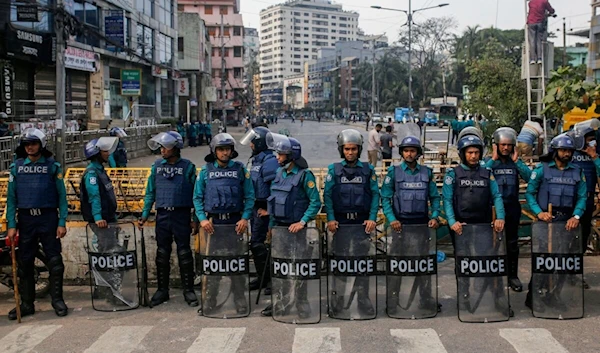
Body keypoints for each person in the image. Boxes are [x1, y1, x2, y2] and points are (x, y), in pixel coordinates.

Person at [6, 128, 68, 320]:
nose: (30, 148)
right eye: (26, 144)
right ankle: (26, 303)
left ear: (41, 145)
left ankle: (57, 300)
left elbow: (62, 197)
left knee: (55, 262)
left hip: (47, 218)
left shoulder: (52, 167)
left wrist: (62, 221)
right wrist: (11, 223)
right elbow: (11, 198)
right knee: (25, 264)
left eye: (33, 144)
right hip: (26, 220)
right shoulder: (16, 168)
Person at [442, 135, 509, 315]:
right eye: (470, 152)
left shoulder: (487, 173)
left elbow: (497, 197)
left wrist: (500, 217)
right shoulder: (452, 175)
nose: (473, 156)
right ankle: (463, 299)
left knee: (489, 263)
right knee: (463, 264)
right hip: (461, 227)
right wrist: (452, 222)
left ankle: (497, 299)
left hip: (484, 225)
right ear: (463, 154)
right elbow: (447, 200)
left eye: (476, 152)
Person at [261, 134, 322, 317]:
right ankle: (280, 302)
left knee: (299, 267)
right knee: (280, 268)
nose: (277, 158)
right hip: (280, 229)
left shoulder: (305, 175)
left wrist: (302, 222)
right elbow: (273, 202)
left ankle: (301, 302)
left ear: (291, 156)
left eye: (280, 154)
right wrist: (271, 227)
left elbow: (315, 203)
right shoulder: (279, 173)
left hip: (297, 231)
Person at [194, 133, 255, 315]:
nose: (224, 153)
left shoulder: (239, 170)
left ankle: (240, 300)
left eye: (227, 149)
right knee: (213, 266)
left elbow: (249, 196)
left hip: (235, 224)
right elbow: (197, 198)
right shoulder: (205, 172)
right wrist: (202, 219)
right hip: (213, 226)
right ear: (214, 151)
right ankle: (210, 301)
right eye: (221, 149)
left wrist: (245, 218)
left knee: (236, 264)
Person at [524, 133, 587, 309]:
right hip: (545, 222)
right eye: (563, 150)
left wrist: (576, 217)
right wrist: (539, 213)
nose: (567, 154)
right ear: (555, 150)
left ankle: (554, 294)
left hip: (567, 223)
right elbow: (530, 193)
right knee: (543, 260)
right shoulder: (542, 170)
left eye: (569, 151)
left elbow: (582, 197)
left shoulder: (577, 171)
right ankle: (534, 295)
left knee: (563, 262)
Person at [381, 135, 441, 315]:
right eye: (406, 151)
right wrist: (392, 219)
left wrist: (435, 216)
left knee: (423, 264)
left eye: (412, 151)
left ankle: (425, 299)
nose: (409, 154)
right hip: (400, 227)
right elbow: (385, 197)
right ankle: (392, 300)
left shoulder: (426, 172)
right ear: (401, 153)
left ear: (418, 153)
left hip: (421, 227)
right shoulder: (394, 172)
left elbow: (435, 198)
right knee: (397, 265)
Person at [138, 131, 199, 307]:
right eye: (162, 147)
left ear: (175, 148)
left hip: (181, 214)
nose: (162, 150)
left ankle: (188, 290)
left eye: (165, 147)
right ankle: (162, 290)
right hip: (163, 215)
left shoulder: (188, 167)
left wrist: (194, 218)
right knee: (162, 254)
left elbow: (195, 195)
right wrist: (144, 215)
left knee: (184, 253)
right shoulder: (156, 167)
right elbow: (150, 193)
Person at [324, 129, 379, 318]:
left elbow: (375, 195)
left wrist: (372, 217)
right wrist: (331, 218)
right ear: (342, 149)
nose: (350, 153)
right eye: (347, 149)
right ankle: (338, 299)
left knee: (361, 264)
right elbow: (328, 196)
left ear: (359, 149)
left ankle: (363, 299)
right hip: (340, 226)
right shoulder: (334, 170)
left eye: (354, 149)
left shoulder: (368, 170)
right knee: (341, 265)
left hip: (361, 225)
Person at [485, 128, 532, 292]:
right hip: (491, 210)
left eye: (509, 145)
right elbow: (480, 176)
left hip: (512, 207)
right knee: (491, 245)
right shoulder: (488, 162)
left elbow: (530, 178)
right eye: (502, 145)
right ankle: (493, 277)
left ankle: (512, 276)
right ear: (496, 145)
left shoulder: (515, 162)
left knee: (512, 244)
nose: (506, 148)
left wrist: (518, 161)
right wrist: (493, 159)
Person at [80, 136, 122, 305]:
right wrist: (98, 218)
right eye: (104, 151)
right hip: (102, 222)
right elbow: (94, 197)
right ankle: (111, 293)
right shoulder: (91, 173)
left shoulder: (100, 171)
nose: (108, 153)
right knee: (109, 256)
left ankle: (101, 287)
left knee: (103, 254)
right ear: (96, 153)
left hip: (109, 220)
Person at [240, 127, 280, 295]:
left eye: (253, 142)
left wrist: (270, 212)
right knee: (255, 244)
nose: (250, 145)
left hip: (266, 210)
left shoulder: (270, 161)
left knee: (268, 246)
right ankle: (262, 277)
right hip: (256, 208)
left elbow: (275, 190)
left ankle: (271, 279)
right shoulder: (257, 160)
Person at [569, 125, 600, 289]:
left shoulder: (595, 156)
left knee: (582, 239)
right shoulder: (570, 154)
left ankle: (576, 274)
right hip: (569, 203)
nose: (592, 142)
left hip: (587, 203)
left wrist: (595, 157)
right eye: (589, 140)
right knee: (565, 239)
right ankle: (562, 273)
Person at [527, 0, 555, 65]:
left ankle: (532, 59)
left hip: (531, 22)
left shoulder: (531, 2)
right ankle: (539, 58)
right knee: (539, 41)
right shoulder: (544, 1)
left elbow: (534, 10)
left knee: (532, 41)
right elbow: (551, 10)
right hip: (539, 22)